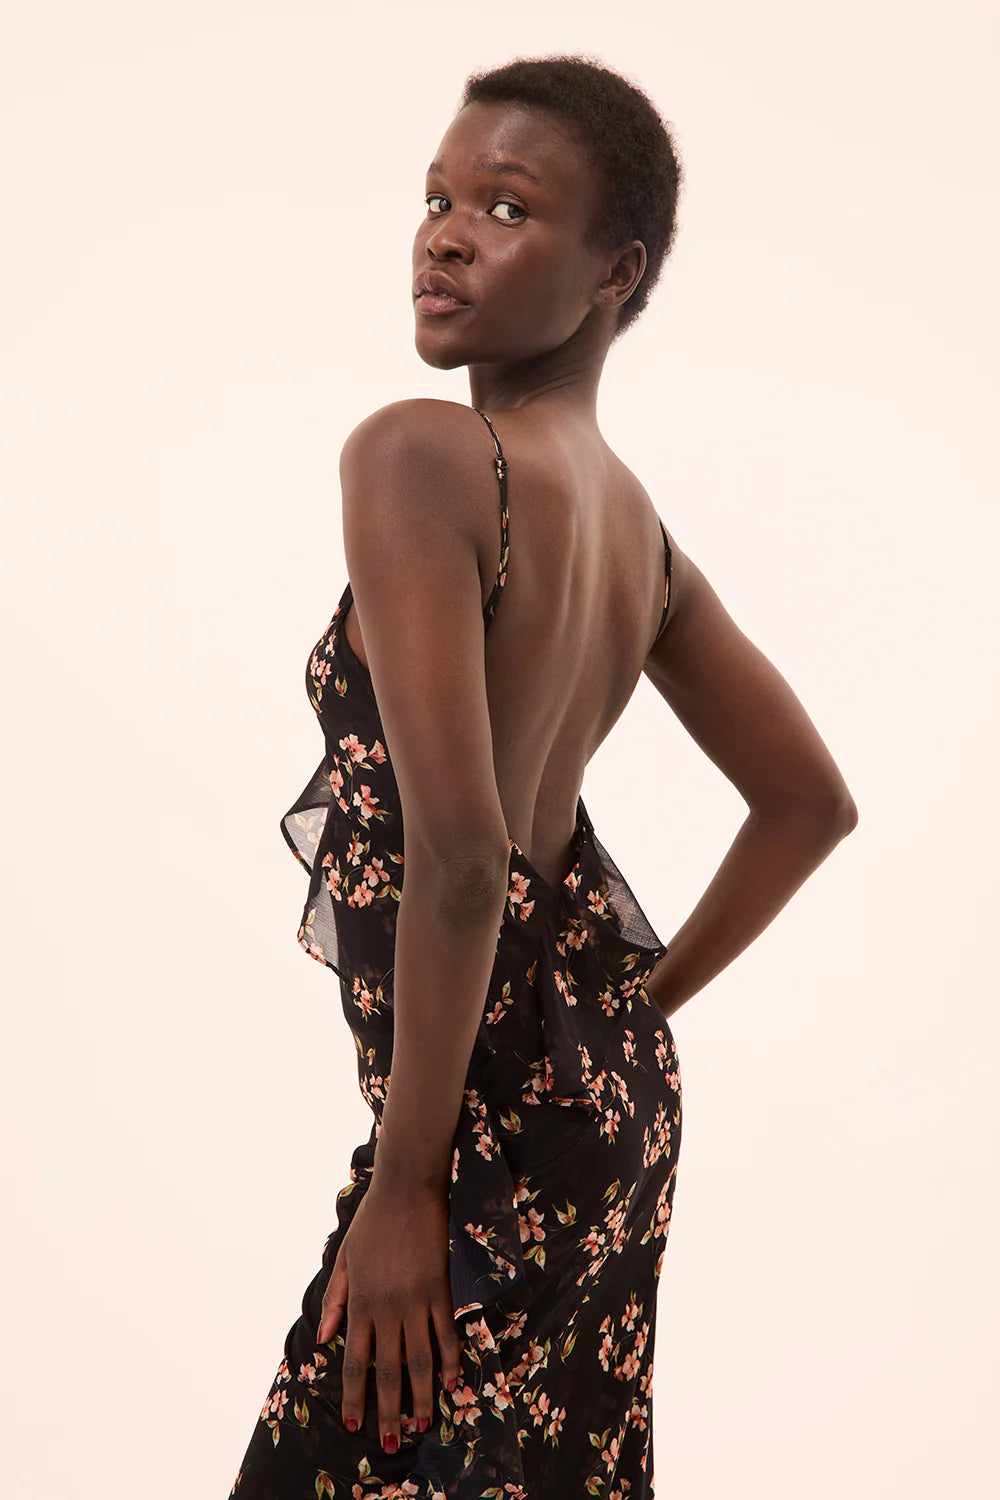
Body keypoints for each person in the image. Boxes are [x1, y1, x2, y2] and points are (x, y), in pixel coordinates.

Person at [227, 53, 858, 1500]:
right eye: (437, 197)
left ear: (615, 273)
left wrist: (407, 1189)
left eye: (506, 209)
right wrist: (627, 1018)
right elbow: (809, 804)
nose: (447, 236)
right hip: (600, 1115)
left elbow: (463, 861)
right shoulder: (637, 533)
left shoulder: (421, 457)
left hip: (468, 1139)